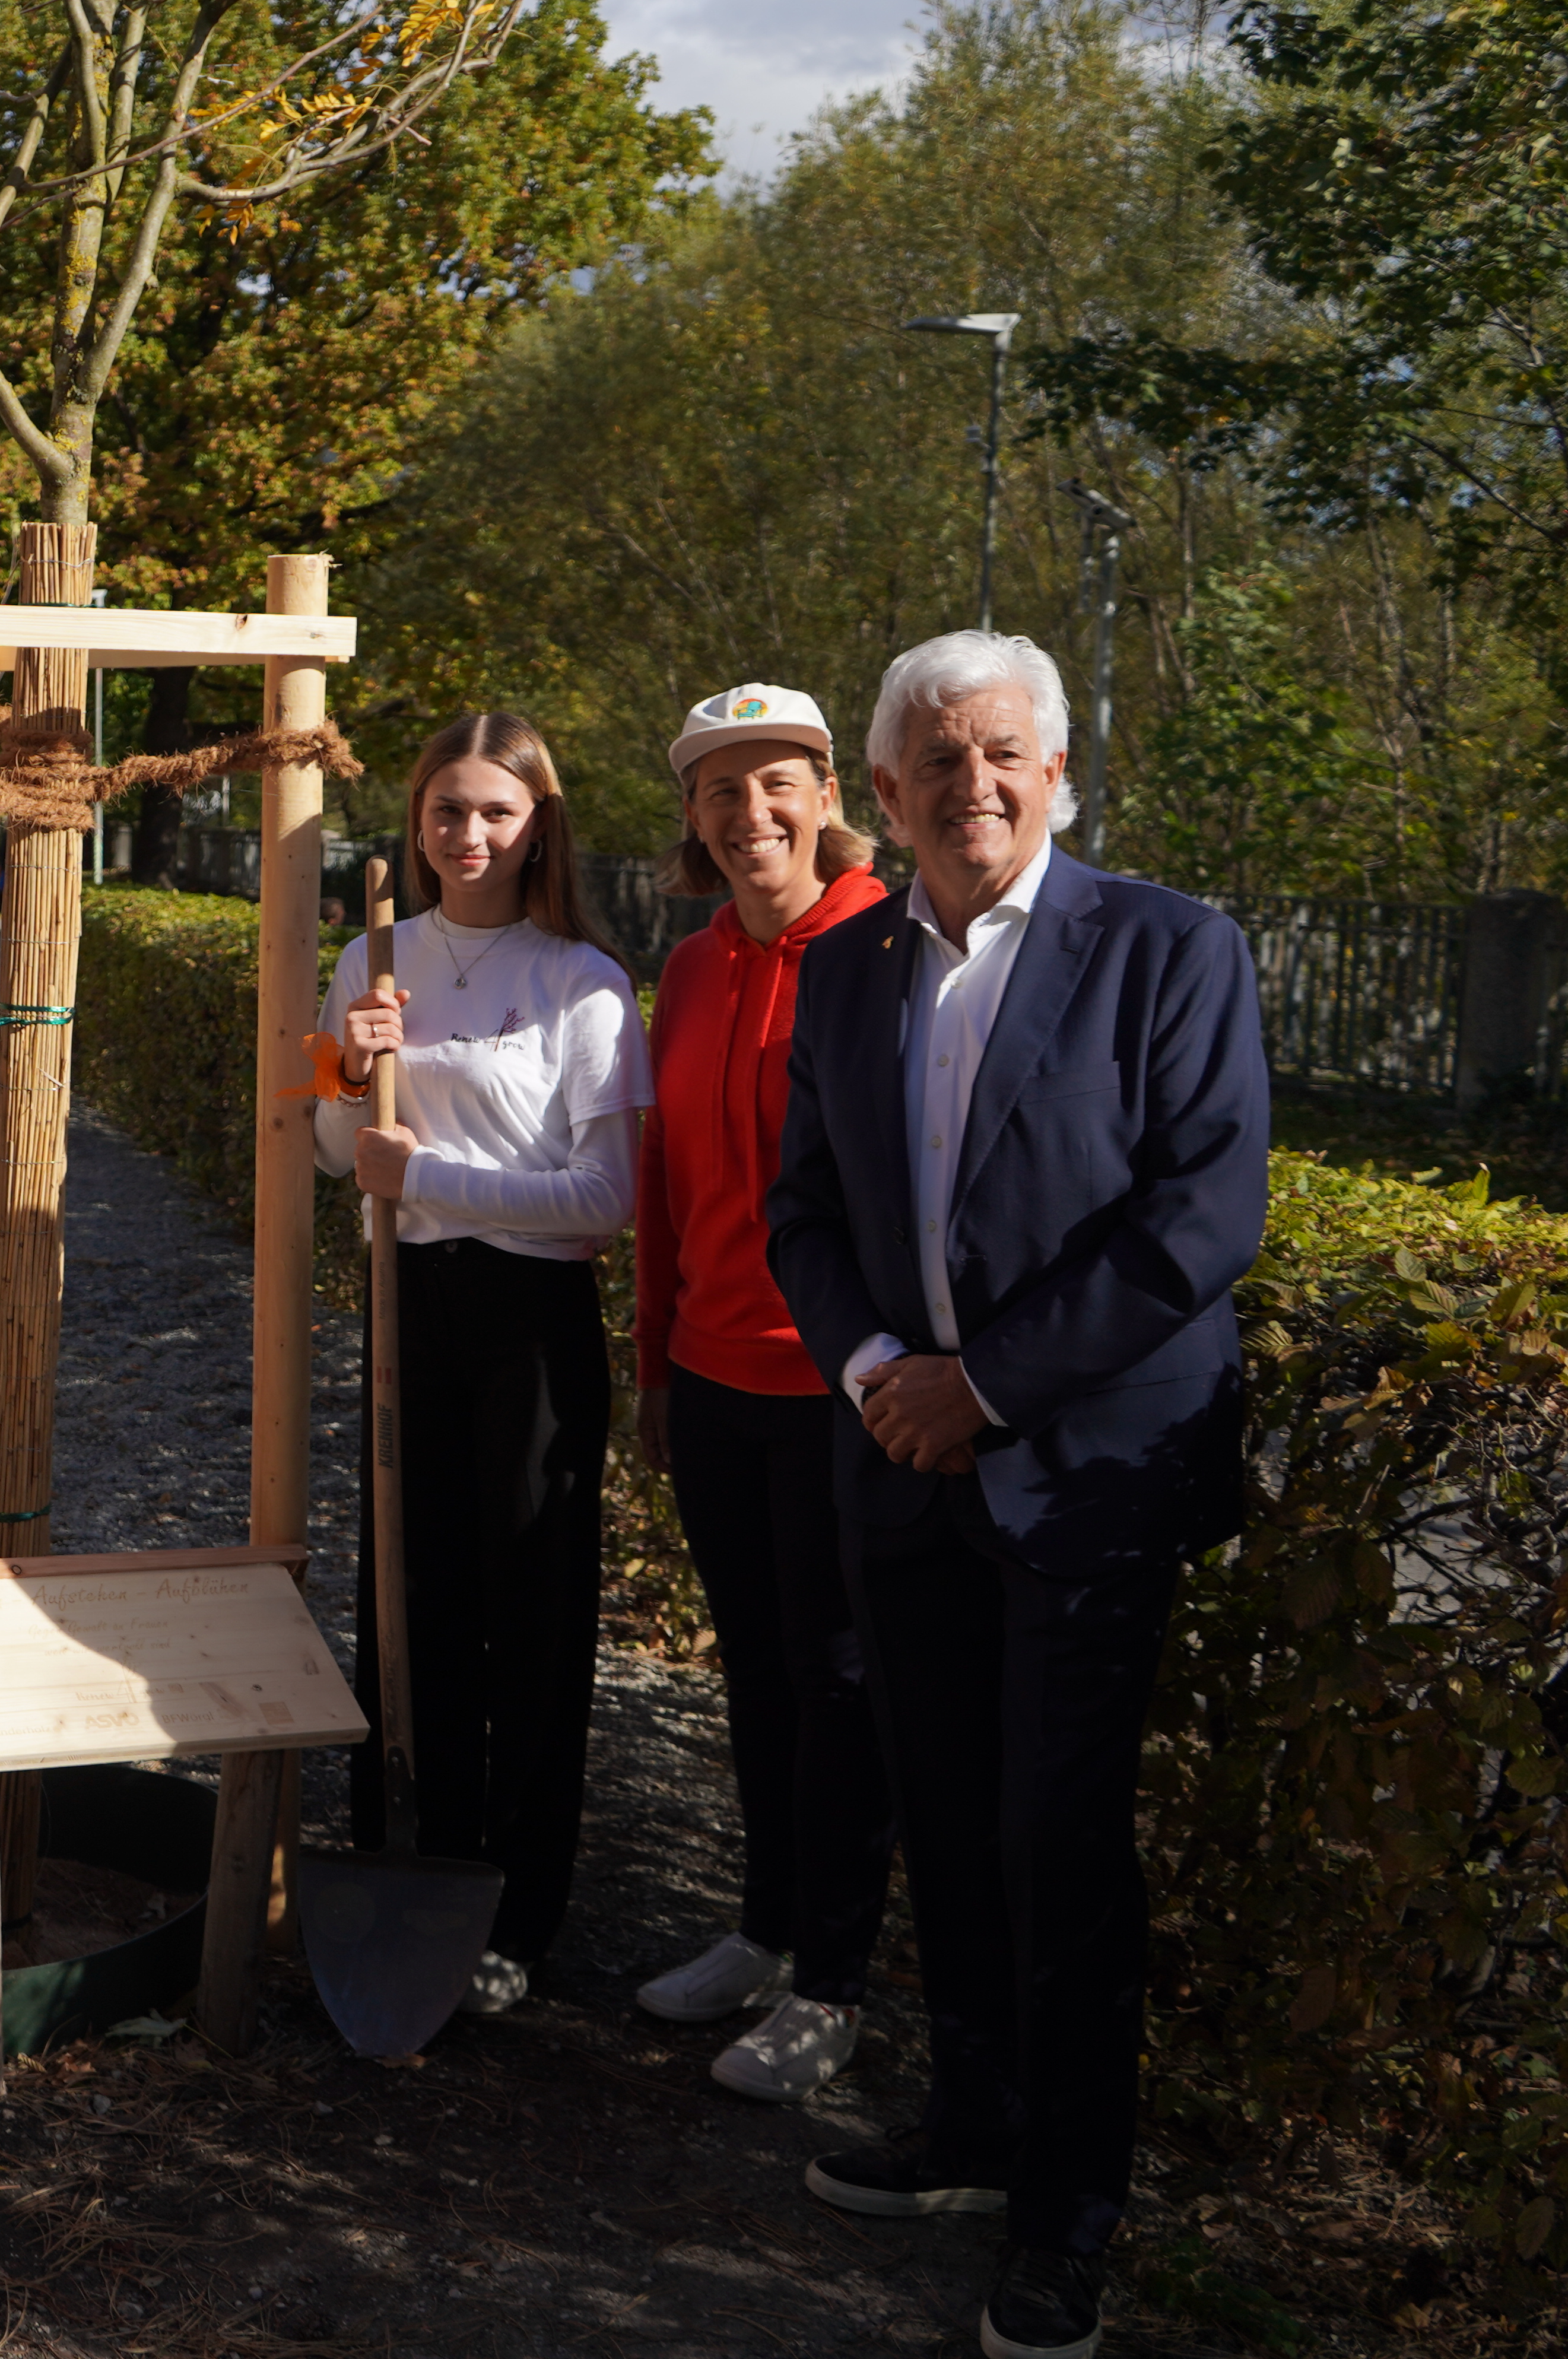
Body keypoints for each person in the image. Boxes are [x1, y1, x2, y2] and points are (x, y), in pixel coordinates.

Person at [766, 631, 1267, 2359]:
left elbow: (1203, 1220)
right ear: (889, 794)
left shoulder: (1169, 950)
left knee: (1061, 1848)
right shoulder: (846, 977)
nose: (970, 785)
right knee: (949, 1825)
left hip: (1083, 1479)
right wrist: (878, 1383)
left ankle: (1071, 2209)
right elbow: (805, 1219)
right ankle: (973, 2129)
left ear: (1057, 775)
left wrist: (983, 1387)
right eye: (937, 759)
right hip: (902, 1474)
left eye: (1003, 756)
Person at [316, 710, 652, 2016]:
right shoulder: (374, 953)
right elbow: (342, 1154)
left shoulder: (582, 982)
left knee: (536, 1614)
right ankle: (419, 1854)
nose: (468, 833)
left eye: (495, 812)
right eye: (447, 809)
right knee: (411, 1588)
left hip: (531, 1324)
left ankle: (523, 1901)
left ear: (537, 824)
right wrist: (359, 1081)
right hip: (411, 1299)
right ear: (417, 821)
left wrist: (433, 1170)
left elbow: (606, 1194)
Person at [626, 683, 899, 2103]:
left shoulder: (890, 948)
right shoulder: (687, 968)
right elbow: (668, 1181)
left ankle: (836, 1983)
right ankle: (766, 1928)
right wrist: (655, 1353)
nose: (751, 816)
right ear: (692, 818)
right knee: (755, 1670)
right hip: (715, 1374)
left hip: (841, 1386)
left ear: (829, 792)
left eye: (776, 783)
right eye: (720, 793)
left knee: (839, 1679)